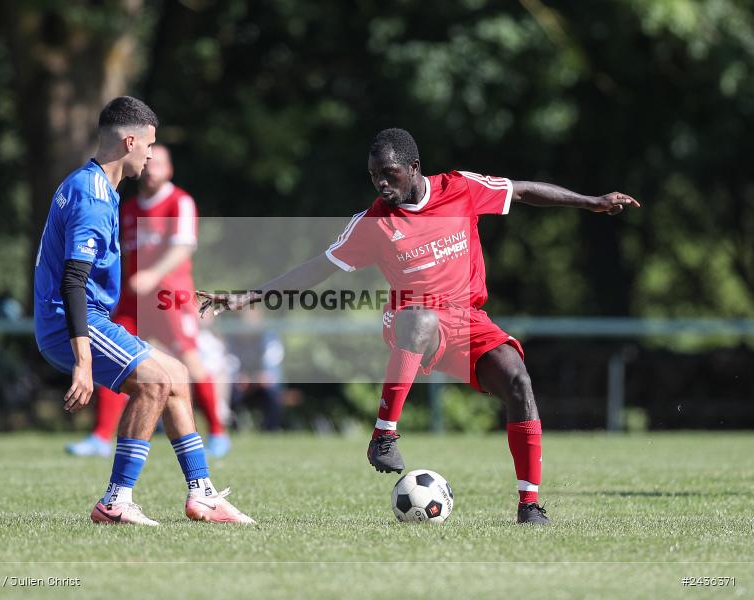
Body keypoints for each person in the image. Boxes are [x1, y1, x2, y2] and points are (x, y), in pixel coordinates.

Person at [198, 128, 639, 525]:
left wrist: (591, 201)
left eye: (389, 174)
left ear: (414, 168)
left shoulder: (461, 189)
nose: (381, 183)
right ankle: (383, 436)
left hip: (469, 321)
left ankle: (529, 506)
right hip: (411, 320)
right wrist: (248, 295)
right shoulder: (374, 223)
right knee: (422, 318)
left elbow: (521, 191)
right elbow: (317, 268)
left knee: (518, 381)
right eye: (374, 176)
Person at [34, 96, 253, 526]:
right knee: (154, 383)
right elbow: (72, 282)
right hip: (72, 323)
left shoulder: (94, 186)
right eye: (149, 145)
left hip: (83, 318)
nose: (151, 155)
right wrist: (82, 363)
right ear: (130, 141)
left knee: (174, 375)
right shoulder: (94, 198)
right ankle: (115, 500)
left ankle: (203, 494)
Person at [65, 144, 231, 458]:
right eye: (149, 161)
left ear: (169, 170)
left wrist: (153, 276)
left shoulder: (179, 202)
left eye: (160, 163)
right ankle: (101, 437)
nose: (152, 167)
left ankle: (219, 433)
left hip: (170, 297)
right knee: (115, 359)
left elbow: (183, 248)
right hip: (132, 300)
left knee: (191, 361)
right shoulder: (127, 209)